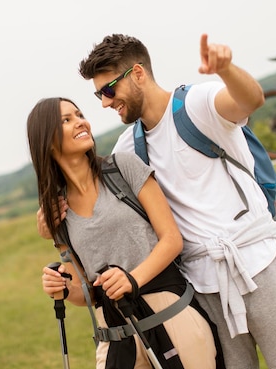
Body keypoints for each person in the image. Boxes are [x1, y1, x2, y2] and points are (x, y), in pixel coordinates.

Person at [41, 33, 276, 368]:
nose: (104, 102)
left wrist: (227, 69)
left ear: (139, 74)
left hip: (258, 261)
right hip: (202, 285)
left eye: (109, 90)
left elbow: (250, 101)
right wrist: (48, 221)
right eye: (99, 93)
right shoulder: (127, 150)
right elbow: (93, 201)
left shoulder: (195, 104)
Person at [28, 97, 223, 369]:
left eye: (79, 114)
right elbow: (88, 294)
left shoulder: (122, 167)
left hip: (171, 313)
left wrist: (132, 280)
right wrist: (60, 287)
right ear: (47, 141)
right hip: (115, 334)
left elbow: (171, 239)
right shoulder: (56, 212)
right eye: (67, 120)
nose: (81, 121)